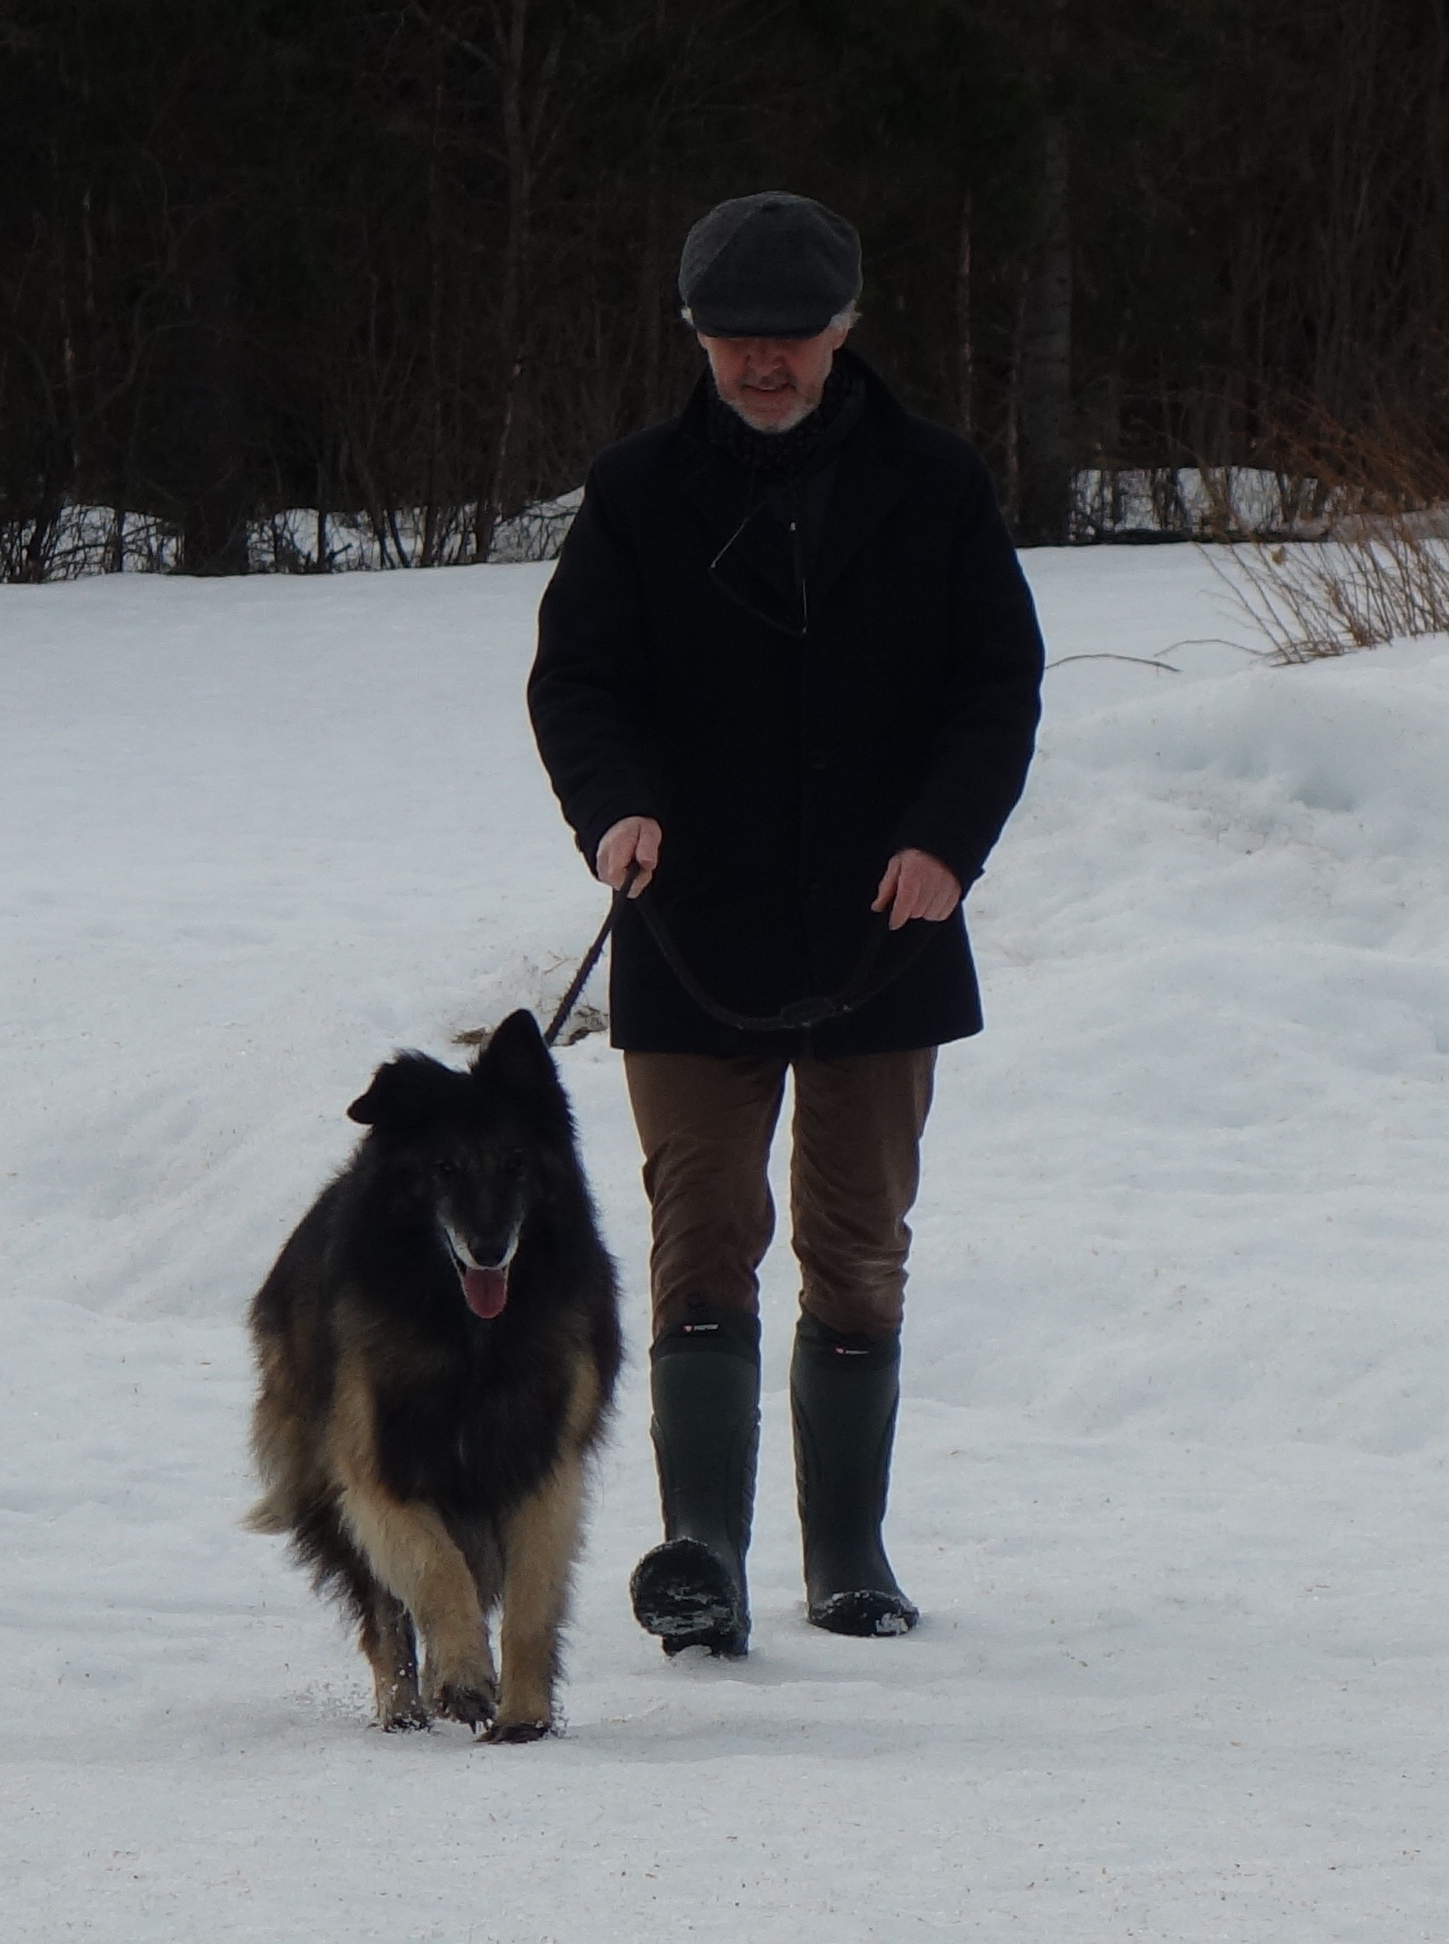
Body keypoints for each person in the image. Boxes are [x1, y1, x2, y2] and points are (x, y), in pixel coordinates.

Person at [527, 191, 1045, 1653]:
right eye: (736, 340)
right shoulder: (636, 491)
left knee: (858, 1244)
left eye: (793, 339)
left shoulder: (936, 483)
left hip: (888, 924)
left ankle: (849, 1554)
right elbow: (579, 683)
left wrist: (947, 841)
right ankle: (702, 1548)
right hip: (690, 923)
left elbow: (997, 686)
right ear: (696, 338)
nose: (765, 364)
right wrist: (615, 809)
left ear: (844, 331)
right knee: (701, 1235)